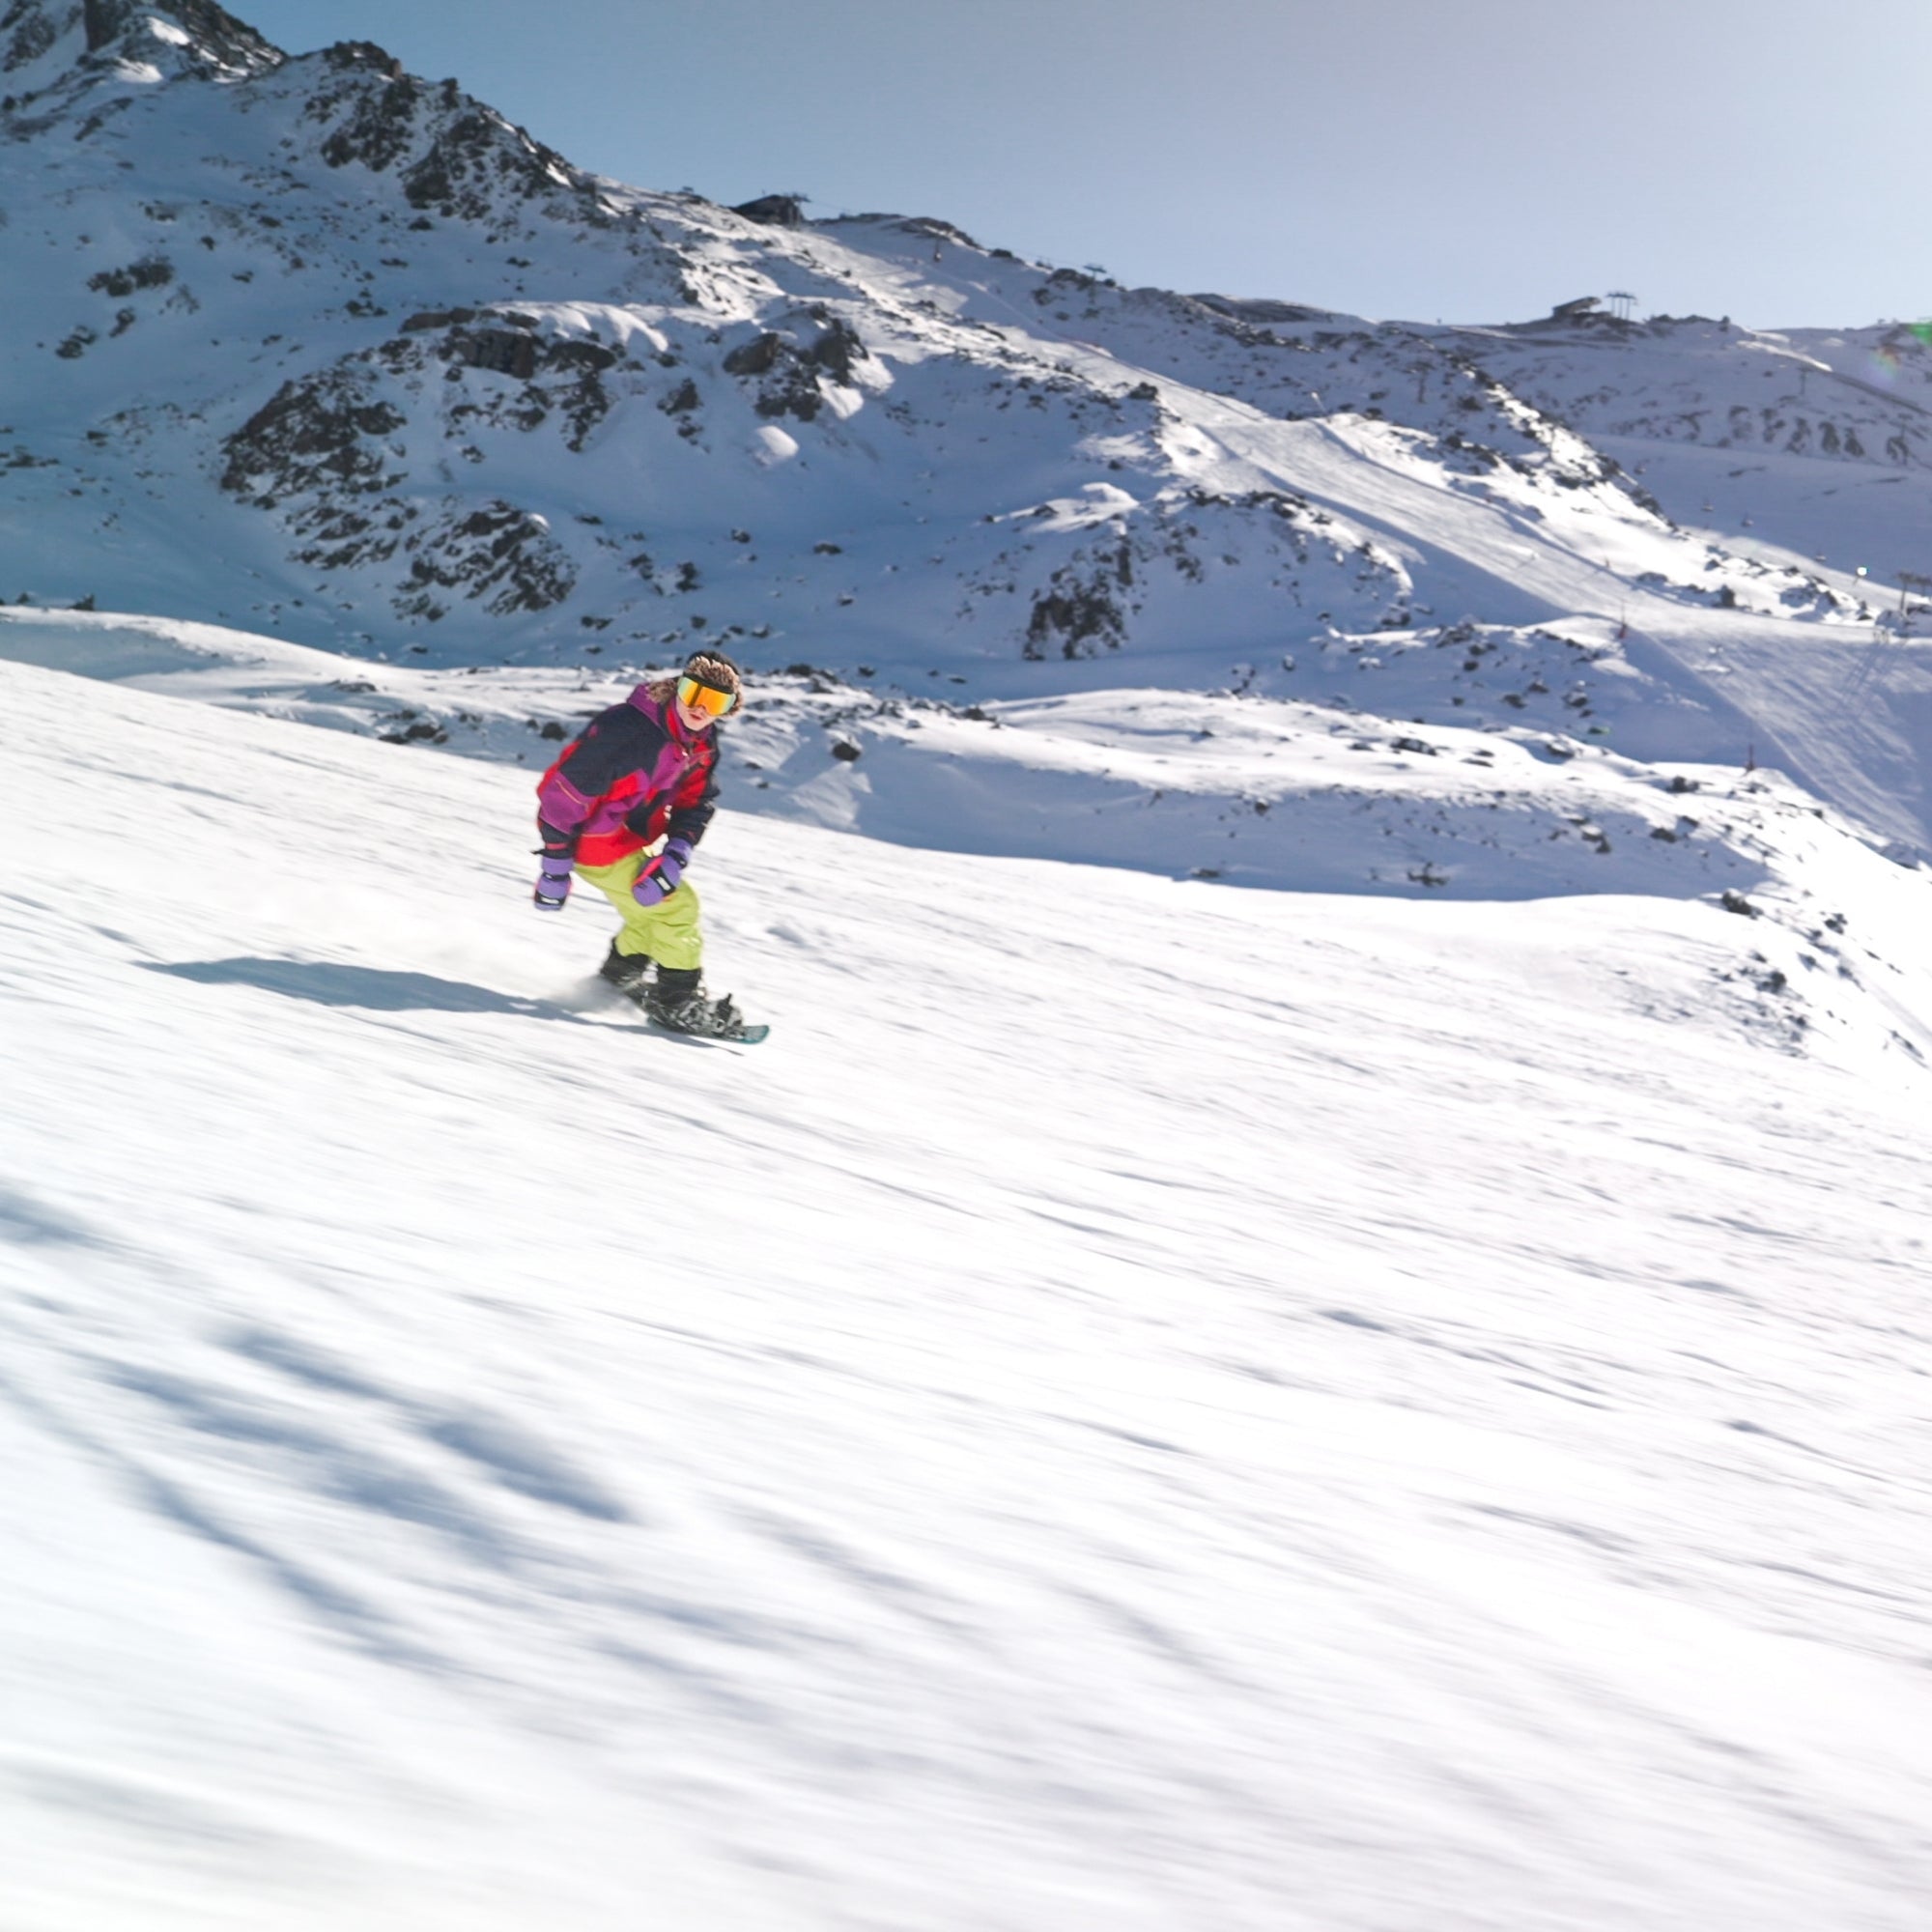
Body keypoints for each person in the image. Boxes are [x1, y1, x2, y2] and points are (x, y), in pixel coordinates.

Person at [530, 649, 751, 1037]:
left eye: (715, 702)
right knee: (677, 907)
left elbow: (696, 801)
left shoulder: (699, 741)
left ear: (728, 709)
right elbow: (562, 793)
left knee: (649, 907)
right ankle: (676, 1001)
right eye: (693, 692)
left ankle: (618, 977)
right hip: (595, 838)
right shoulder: (630, 729)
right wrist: (555, 862)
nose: (700, 708)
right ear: (676, 688)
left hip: (629, 837)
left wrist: (676, 853)